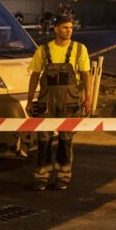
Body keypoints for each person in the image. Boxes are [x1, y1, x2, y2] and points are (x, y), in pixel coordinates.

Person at [27, 14, 92, 191]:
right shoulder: (43, 50)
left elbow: (86, 75)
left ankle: (64, 175)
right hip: (46, 100)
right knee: (44, 138)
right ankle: (41, 175)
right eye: (65, 27)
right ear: (55, 29)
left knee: (66, 138)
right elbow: (34, 75)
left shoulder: (80, 49)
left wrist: (88, 99)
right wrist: (30, 99)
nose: (68, 30)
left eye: (70, 27)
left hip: (70, 100)